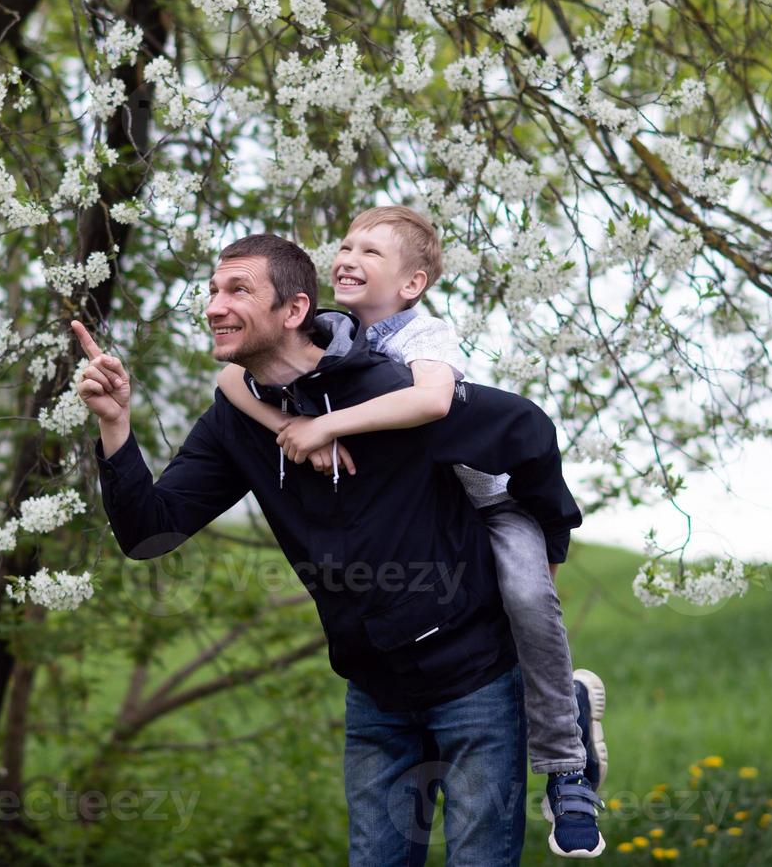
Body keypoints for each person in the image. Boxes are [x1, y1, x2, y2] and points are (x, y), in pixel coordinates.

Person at [73, 233, 585, 865]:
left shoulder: (392, 392)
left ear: (294, 311)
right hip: (372, 692)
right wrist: (115, 424)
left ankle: (568, 742)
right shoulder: (235, 421)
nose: (213, 305)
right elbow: (150, 531)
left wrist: (548, 554)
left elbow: (526, 430)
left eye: (238, 290)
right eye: (211, 291)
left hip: (475, 680)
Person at [215, 206, 608, 858]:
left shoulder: (424, 338)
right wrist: (286, 428)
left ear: (411, 284)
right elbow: (231, 378)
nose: (347, 256)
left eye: (370, 252)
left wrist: (326, 428)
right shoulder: (326, 337)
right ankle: (554, 702)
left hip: (486, 502)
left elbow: (428, 402)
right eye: (343, 243)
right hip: (423, 521)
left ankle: (565, 765)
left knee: (527, 599)